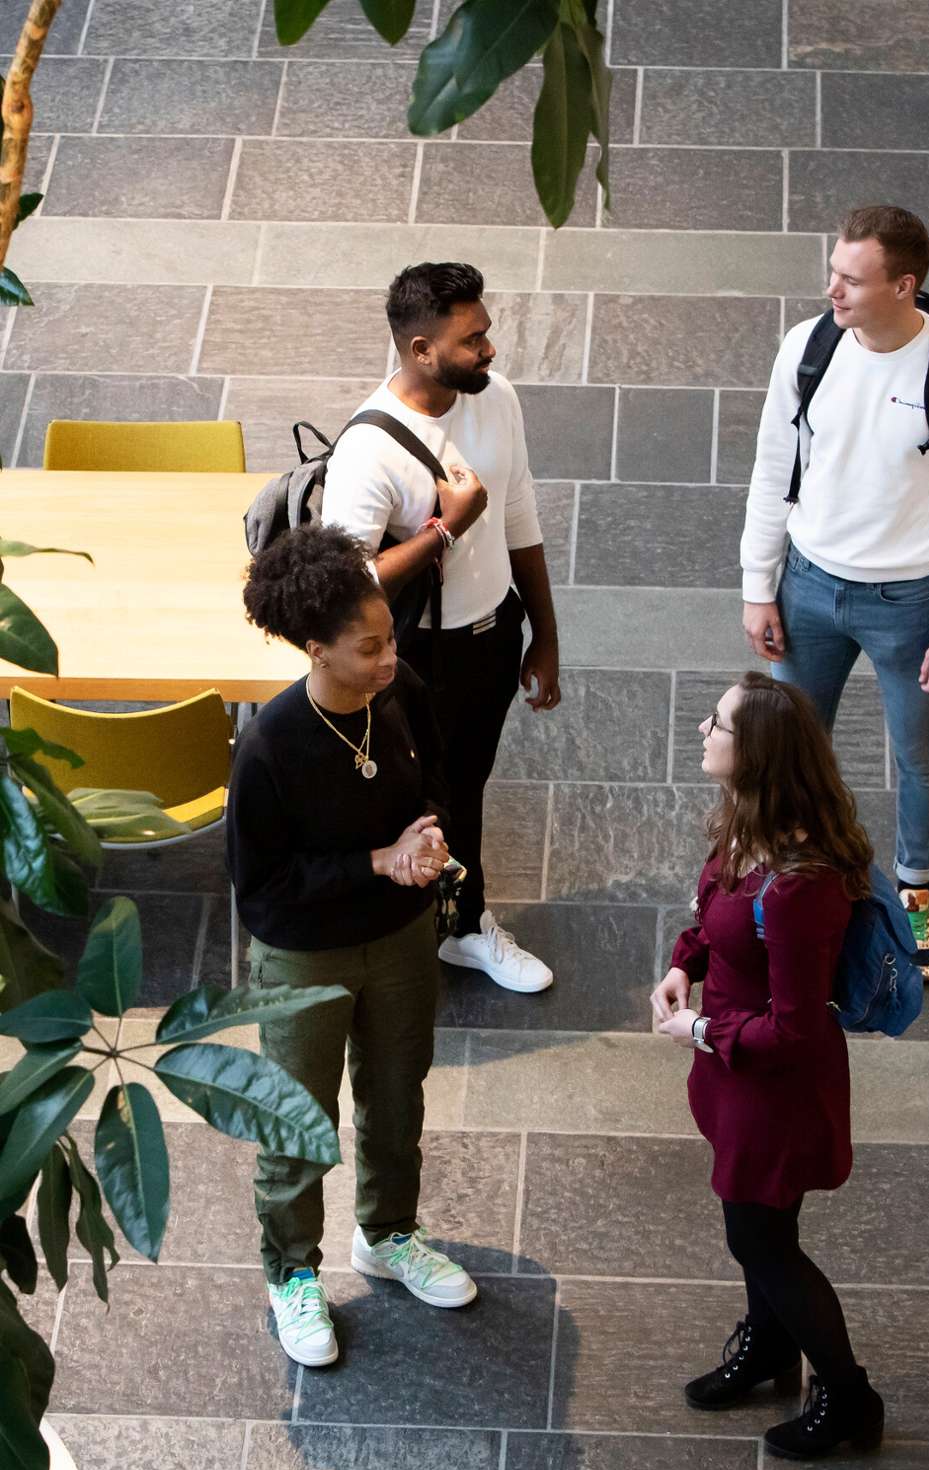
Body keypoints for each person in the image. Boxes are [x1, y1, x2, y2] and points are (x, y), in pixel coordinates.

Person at [226, 523, 477, 1370]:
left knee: (398, 1097)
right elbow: (260, 888)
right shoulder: (271, 747)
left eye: (389, 639)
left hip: (401, 940)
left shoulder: (399, 690)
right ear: (315, 649)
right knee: (297, 1122)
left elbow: (437, 778)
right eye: (366, 648)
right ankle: (291, 1272)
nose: (386, 659)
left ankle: (389, 1235)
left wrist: (430, 838)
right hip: (304, 959)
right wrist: (376, 860)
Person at [741, 204, 929, 981]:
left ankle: (915, 889)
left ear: (905, 284)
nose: (833, 289)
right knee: (794, 745)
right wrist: (760, 586)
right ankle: (797, 880)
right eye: (833, 271)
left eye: (852, 279)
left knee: (917, 752)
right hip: (809, 587)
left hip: (911, 605)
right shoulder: (810, 346)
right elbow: (772, 469)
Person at [651, 672, 885, 1461]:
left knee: (762, 1241)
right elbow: (714, 913)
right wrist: (686, 962)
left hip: (772, 1092)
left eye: (715, 722)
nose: (702, 730)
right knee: (758, 1233)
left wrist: (700, 1027)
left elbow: (795, 1032)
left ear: (753, 752)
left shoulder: (797, 888)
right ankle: (773, 1350)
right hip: (732, 1075)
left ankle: (849, 1396)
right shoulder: (748, 823)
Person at [321, 260, 560, 994]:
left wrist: (545, 636)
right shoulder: (370, 451)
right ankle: (425, 926)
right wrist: (446, 530)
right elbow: (344, 579)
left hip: (492, 638)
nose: (490, 350)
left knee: (467, 783)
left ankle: (458, 925)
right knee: (417, 792)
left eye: (486, 332)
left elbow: (518, 510)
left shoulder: (497, 399)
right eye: (473, 339)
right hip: (417, 654)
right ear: (421, 350)